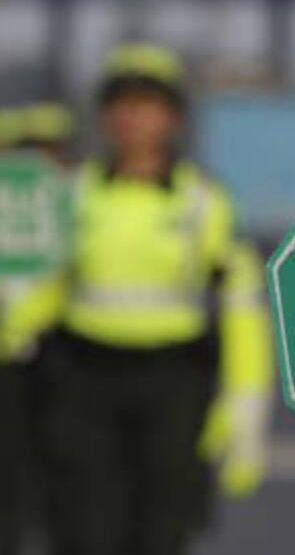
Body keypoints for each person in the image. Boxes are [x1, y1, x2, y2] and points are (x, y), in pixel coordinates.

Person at [3, 45, 273, 555]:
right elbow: (48, 285)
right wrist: (14, 330)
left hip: (171, 386)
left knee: (160, 533)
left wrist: (246, 403)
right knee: (83, 532)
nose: (132, 117)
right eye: (121, 103)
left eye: (147, 104)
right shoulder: (74, 192)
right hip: (84, 381)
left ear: (172, 117)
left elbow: (241, 310)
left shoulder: (202, 201)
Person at [0, 101, 75, 555]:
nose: (38, 162)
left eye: (48, 147)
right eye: (26, 149)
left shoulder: (82, 196)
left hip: (67, 358)